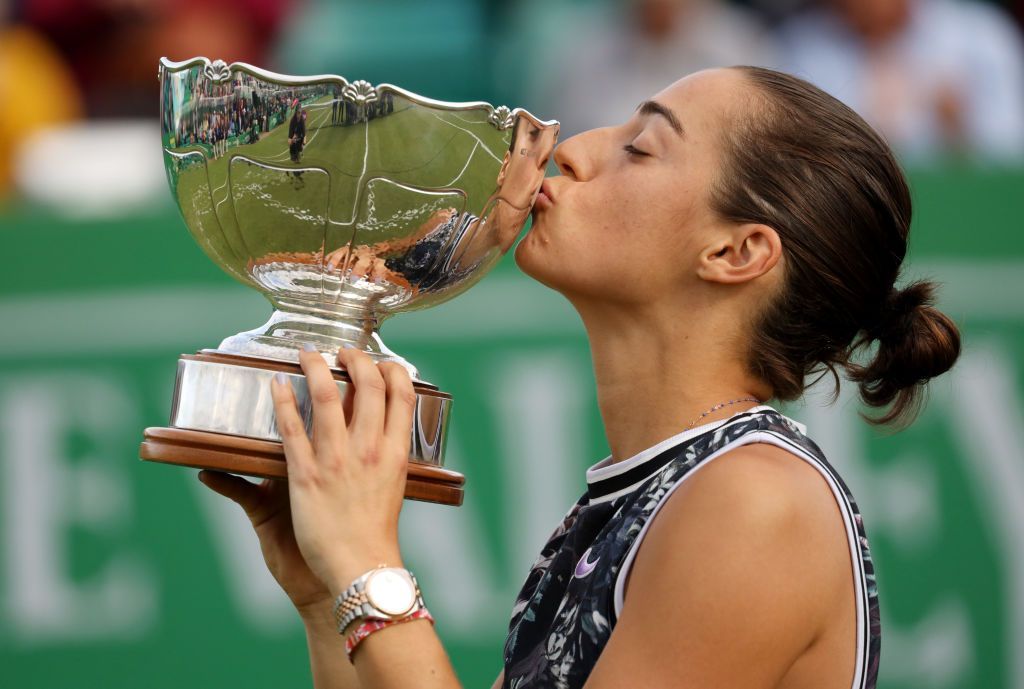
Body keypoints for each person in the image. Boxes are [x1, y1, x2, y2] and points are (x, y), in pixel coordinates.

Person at [198, 67, 961, 689]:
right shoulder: (655, 491)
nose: (576, 148)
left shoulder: (756, 504)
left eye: (642, 147)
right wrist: (327, 591)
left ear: (736, 253)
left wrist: (370, 566)